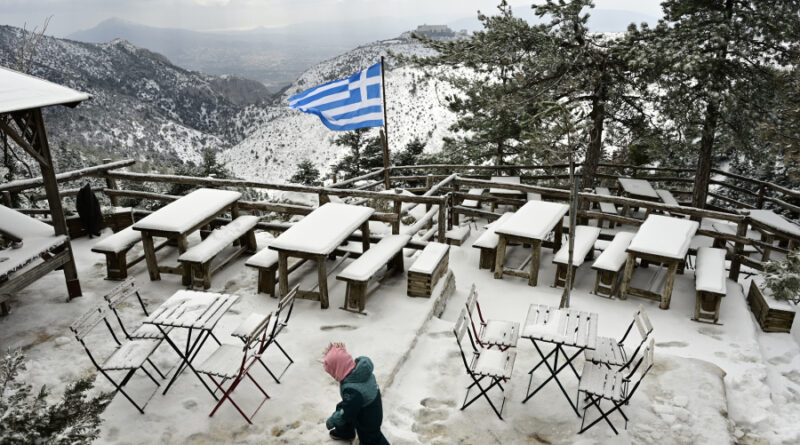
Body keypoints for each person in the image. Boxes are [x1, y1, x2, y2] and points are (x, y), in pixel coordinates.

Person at [323, 343, 389, 445]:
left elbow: (347, 411)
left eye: (332, 371)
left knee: (371, 438)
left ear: (339, 369)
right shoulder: (358, 372)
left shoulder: (352, 389)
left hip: (369, 418)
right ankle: (346, 432)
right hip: (366, 405)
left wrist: (333, 420)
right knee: (343, 407)